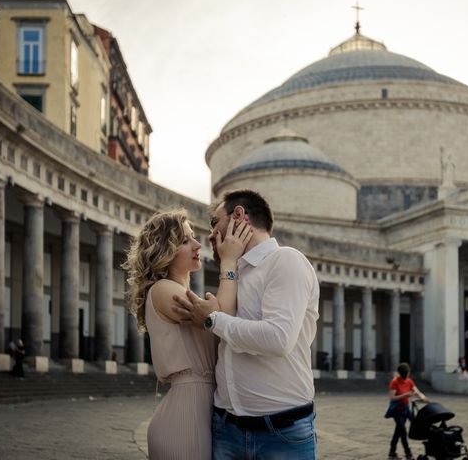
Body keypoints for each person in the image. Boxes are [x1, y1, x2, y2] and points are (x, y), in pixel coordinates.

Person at [172, 189, 320, 459]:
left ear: (239, 216)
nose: (210, 235)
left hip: (281, 432)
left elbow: (277, 339)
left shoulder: (285, 260)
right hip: (226, 428)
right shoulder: (233, 272)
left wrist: (211, 319)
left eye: (214, 223)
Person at [122, 207, 252, 460]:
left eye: (192, 236)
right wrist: (228, 261)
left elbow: (220, 318)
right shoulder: (162, 289)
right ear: (164, 251)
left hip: (200, 411)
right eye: (184, 240)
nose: (196, 244)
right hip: (184, 418)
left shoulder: (178, 291)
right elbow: (222, 317)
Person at [387, 362, 428, 460]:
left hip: (405, 409)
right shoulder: (394, 382)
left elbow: (416, 390)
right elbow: (392, 397)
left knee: (399, 430)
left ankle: (392, 452)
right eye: (404, 375)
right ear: (400, 373)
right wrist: (405, 395)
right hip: (396, 409)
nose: (406, 376)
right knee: (403, 431)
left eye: (407, 374)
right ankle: (408, 453)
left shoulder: (409, 381)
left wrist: (422, 397)